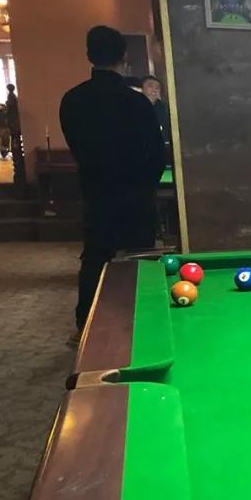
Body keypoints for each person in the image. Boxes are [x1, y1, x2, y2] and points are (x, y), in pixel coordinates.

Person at [60, 26, 165, 339]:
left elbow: (77, 147)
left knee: (95, 259)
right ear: (124, 56)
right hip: (136, 195)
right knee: (140, 261)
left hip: (97, 194)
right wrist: (146, 187)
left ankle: (86, 327)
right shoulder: (137, 103)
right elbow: (156, 156)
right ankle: (143, 323)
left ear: (89, 55)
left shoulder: (72, 100)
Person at [142, 75, 172, 144]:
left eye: (157, 88)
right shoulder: (133, 108)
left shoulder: (165, 109)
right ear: (142, 89)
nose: (154, 90)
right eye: (150, 86)